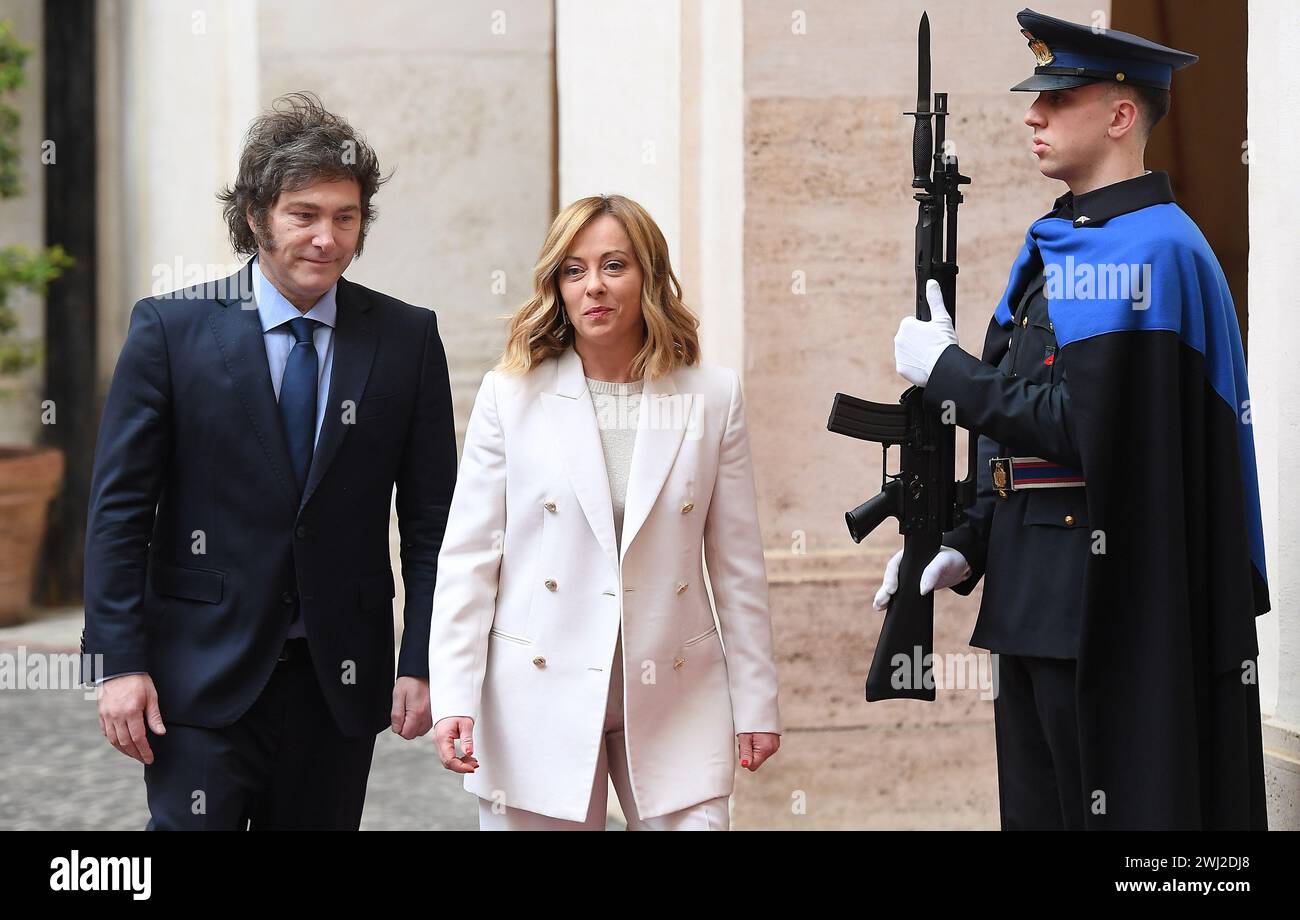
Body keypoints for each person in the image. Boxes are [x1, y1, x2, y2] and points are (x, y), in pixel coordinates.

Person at [882, 8, 1268, 829]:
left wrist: (947, 372)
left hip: (1109, 603)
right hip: (1032, 597)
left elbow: (1084, 429)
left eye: (1056, 100)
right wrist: (967, 536)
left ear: (1122, 115)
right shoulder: (1066, 242)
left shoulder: (1153, 250)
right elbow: (1014, 428)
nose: (1032, 115)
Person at [82, 92, 458, 830]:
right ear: (256, 216)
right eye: (304, 215)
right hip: (197, 682)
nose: (327, 238)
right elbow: (118, 514)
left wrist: (421, 660)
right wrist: (119, 665)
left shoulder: (407, 339)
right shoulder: (170, 331)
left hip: (336, 683)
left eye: (345, 217)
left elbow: (432, 521)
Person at [427, 194, 782, 830]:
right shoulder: (511, 396)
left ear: (648, 275)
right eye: (574, 269)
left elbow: (737, 565)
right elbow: (469, 558)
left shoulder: (710, 395)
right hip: (536, 694)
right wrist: (454, 693)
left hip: (677, 689)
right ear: (556, 285)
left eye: (614, 265)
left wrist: (756, 701)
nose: (594, 286)